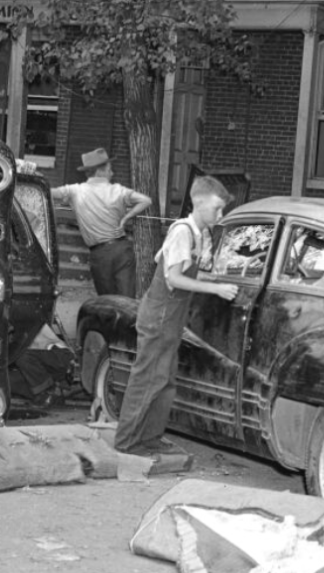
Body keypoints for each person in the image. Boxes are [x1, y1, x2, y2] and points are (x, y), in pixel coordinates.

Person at [114, 176, 238, 457]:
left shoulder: (200, 234)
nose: (220, 216)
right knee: (148, 379)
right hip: (159, 316)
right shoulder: (182, 231)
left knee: (165, 380)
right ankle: (126, 443)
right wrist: (215, 289)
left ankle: (150, 437)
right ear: (200, 203)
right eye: (217, 209)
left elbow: (185, 267)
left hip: (172, 319)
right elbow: (174, 278)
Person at [51, 148, 152, 297]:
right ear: (100, 171)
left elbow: (48, 191)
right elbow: (146, 200)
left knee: (106, 301)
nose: (112, 173)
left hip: (99, 254)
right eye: (109, 170)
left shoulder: (75, 191)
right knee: (127, 302)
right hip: (122, 250)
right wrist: (127, 217)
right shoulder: (119, 190)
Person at [9, 323, 78, 408]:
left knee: (22, 356)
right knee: (9, 380)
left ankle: (48, 393)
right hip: (43, 363)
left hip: (60, 358)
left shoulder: (22, 319)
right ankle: (50, 394)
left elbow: (13, 353)